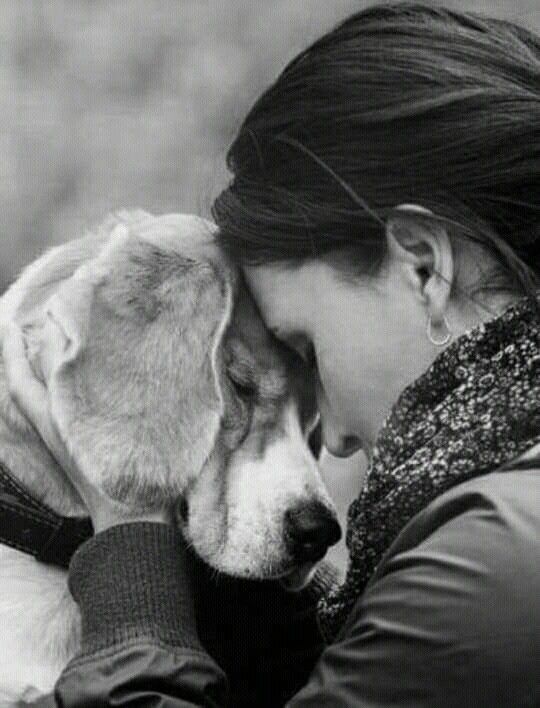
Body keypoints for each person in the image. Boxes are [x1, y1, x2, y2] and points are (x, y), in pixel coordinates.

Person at [3, 2, 539, 706]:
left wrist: (130, 541)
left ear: (421, 267)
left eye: (306, 348)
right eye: (250, 383)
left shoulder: (492, 566)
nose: (337, 443)